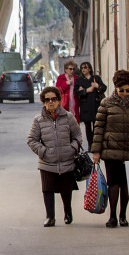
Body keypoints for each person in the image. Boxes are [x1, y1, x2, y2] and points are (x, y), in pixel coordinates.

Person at [90, 69, 129, 228]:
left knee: (127, 185)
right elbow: (99, 128)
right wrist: (96, 151)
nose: (124, 93)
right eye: (121, 90)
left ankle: (123, 215)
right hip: (111, 151)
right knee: (113, 183)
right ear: (115, 88)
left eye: (127, 90)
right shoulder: (106, 103)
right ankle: (112, 216)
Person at [28, 86, 85, 227]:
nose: (50, 102)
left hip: (67, 159)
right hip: (47, 161)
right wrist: (44, 152)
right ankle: (50, 217)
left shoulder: (68, 117)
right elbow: (31, 140)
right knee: (47, 189)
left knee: (66, 189)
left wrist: (72, 148)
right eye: (47, 100)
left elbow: (77, 135)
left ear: (59, 100)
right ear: (43, 102)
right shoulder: (38, 120)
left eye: (53, 99)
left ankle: (68, 212)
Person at [74, 61, 107, 147]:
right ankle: (90, 145)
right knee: (88, 127)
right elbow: (76, 92)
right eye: (82, 68)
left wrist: (97, 86)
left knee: (97, 126)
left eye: (85, 67)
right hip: (85, 106)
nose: (83, 69)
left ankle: (97, 144)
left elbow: (104, 88)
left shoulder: (95, 78)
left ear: (89, 69)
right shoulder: (79, 80)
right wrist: (86, 91)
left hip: (96, 105)